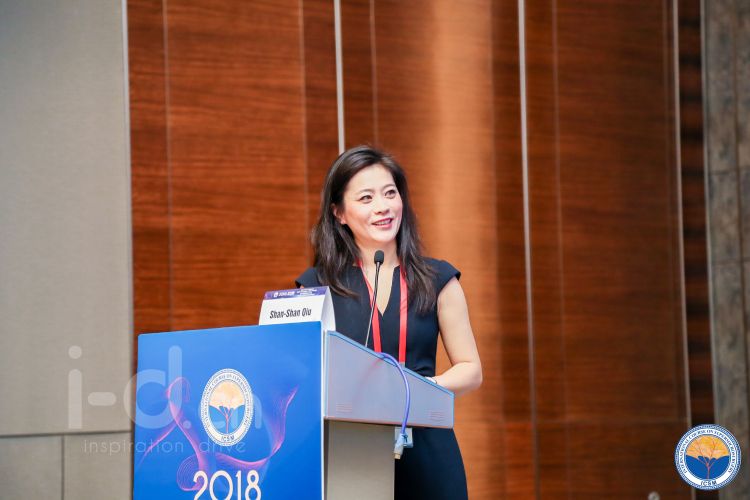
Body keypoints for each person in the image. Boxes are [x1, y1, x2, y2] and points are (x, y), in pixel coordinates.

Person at [296, 145, 482, 499]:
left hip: (427, 449)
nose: (383, 207)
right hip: (351, 451)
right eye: (366, 198)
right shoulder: (316, 286)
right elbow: (302, 377)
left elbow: (471, 370)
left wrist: (413, 391)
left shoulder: (438, 279)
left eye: (390, 193)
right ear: (339, 213)